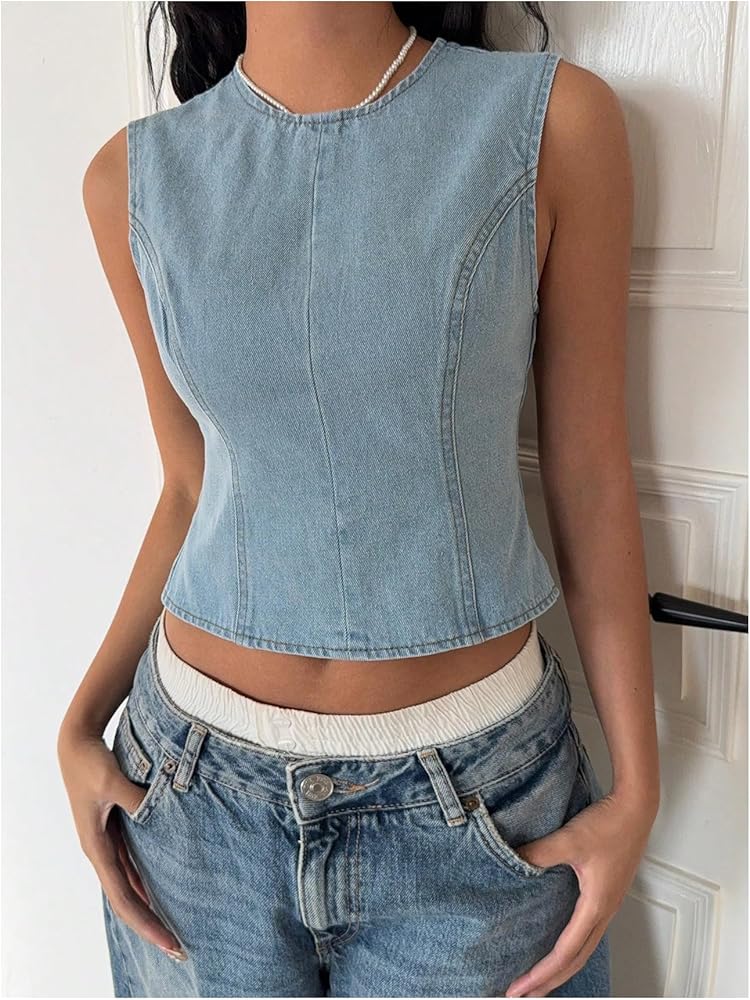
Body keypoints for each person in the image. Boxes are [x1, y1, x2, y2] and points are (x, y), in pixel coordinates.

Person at [57, 3, 660, 997]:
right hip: (191, 797)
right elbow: (190, 483)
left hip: (478, 809)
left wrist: (637, 788)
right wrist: (81, 720)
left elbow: (590, 475)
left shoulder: (552, 124)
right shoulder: (131, 179)